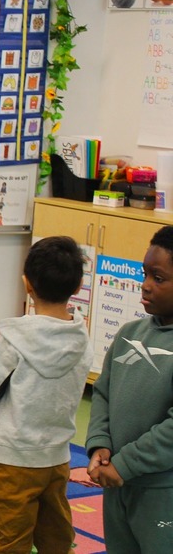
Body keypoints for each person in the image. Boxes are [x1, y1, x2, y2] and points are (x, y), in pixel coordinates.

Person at [0, 236, 91, 554]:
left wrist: (0, 351)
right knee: (56, 538)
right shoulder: (81, 337)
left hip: (15, 458)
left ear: (27, 283)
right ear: (79, 285)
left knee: (9, 541)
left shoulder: (13, 339)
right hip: (57, 457)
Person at [86, 225, 173, 553]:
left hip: (163, 493)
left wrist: (127, 463)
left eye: (159, 278)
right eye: (144, 274)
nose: (145, 285)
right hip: (117, 487)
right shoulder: (128, 333)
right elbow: (103, 393)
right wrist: (100, 445)